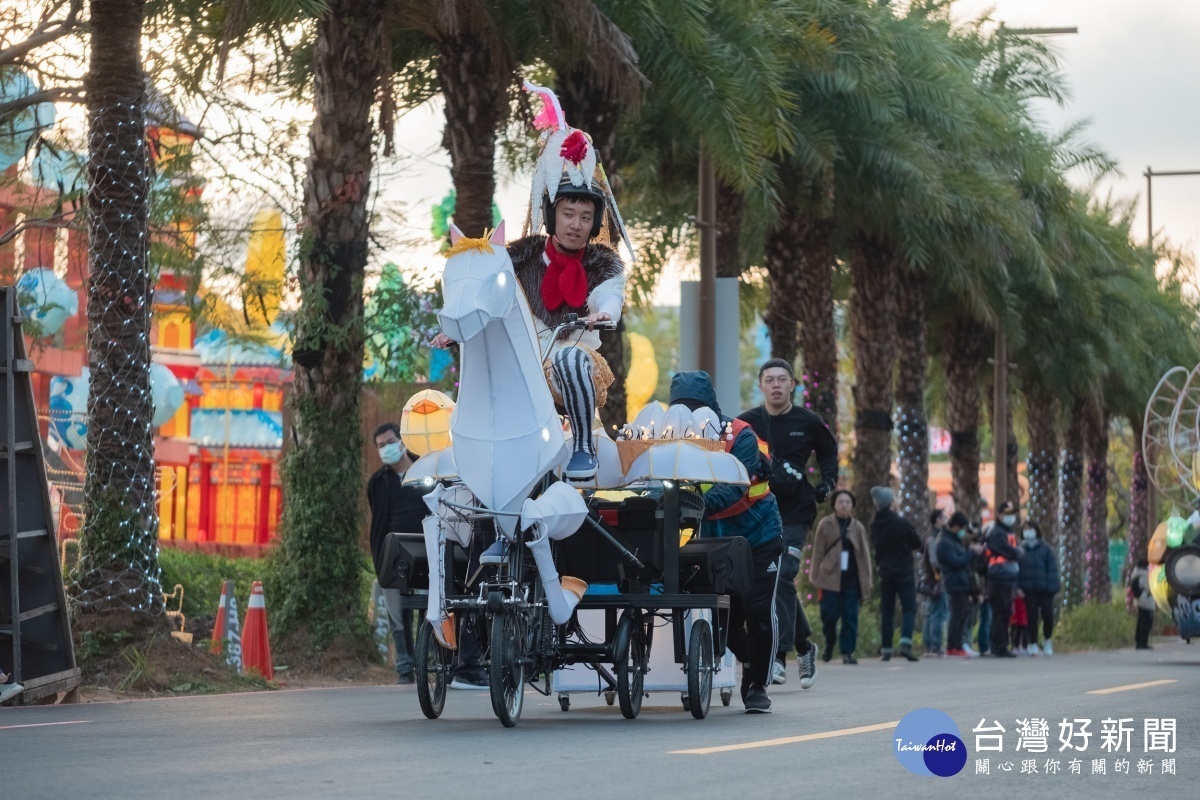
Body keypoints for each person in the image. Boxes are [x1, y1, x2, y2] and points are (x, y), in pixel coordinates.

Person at [433, 83, 632, 484]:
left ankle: (581, 445)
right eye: (568, 213)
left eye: (585, 216)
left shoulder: (603, 263)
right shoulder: (518, 257)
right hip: (523, 373)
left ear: (595, 221)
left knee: (569, 359)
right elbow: (488, 296)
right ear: (552, 213)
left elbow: (611, 294)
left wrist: (604, 312)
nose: (576, 224)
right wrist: (455, 331)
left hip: (572, 372)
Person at [670, 370, 782, 714]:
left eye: (695, 406)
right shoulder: (673, 435)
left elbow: (737, 484)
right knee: (725, 620)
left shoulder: (740, 435)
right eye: (681, 407)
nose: (689, 413)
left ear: (711, 407)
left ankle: (758, 684)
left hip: (759, 534)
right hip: (716, 540)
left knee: (758, 612)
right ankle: (750, 662)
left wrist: (694, 506)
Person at [738, 358, 838, 689]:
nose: (776, 385)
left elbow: (828, 455)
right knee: (773, 578)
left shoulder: (808, 421)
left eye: (783, 379)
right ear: (761, 385)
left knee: (784, 571)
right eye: (770, 380)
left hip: (796, 510)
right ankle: (804, 646)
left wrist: (827, 484)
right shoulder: (746, 423)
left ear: (793, 384)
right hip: (759, 510)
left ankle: (778, 658)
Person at [809, 490, 873, 664]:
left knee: (850, 618)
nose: (844, 505)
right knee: (828, 617)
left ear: (852, 505)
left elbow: (865, 556)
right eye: (841, 502)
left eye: (847, 502)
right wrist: (814, 576)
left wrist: (867, 581)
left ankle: (847, 652)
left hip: (852, 580)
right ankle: (830, 645)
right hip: (829, 578)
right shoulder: (826, 524)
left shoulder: (857, 527)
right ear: (834, 505)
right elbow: (818, 552)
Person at [870, 486, 922, 662]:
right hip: (904, 572)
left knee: (887, 611)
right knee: (908, 608)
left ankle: (886, 650)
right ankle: (905, 644)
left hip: (885, 573)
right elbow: (917, 542)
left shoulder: (874, 524)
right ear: (891, 502)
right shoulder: (901, 522)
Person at [939, 512, 985, 657]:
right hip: (955, 582)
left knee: (963, 614)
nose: (964, 532)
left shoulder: (954, 540)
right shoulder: (944, 542)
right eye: (963, 528)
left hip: (962, 581)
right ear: (956, 526)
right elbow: (956, 562)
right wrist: (971, 553)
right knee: (957, 614)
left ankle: (959, 644)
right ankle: (953, 646)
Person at [984, 500, 1024, 658]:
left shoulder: (1007, 531)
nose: (1011, 517)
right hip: (998, 577)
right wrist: (1018, 552)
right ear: (999, 515)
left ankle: (999, 645)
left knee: (1005, 612)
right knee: (1001, 612)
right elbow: (1010, 552)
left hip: (1006, 577)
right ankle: (999, 646)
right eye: (1007, 514)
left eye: (1012, 513)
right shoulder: (997, 532)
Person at [1017, 520, 1059, 656]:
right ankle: (1033, 643)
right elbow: (1015, 570)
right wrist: (1017, 587)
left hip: (1045, 590)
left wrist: (1052, 588)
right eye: (1026, 529)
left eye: (1031, 529)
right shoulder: (1019, 550)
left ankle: (1047, 639)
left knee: (1048, 616)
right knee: (1031, 617)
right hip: (1028, 590)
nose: (1028, 531)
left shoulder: (1045, 549)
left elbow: (1052, 569)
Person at [918, 509, 949, 657]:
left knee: (931, 612)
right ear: (937, 520)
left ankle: (929, 646)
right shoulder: (933, 537)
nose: (945, 520)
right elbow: (934, 560)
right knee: (936, 613)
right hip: (936, 580)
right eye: (943, 517)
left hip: (930, 579)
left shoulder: (930, 536)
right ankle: (934, 646)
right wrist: (941, 574)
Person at [1130, 558, 1156, 650]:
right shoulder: (1145, 574)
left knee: (1141, 621)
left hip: (1140, 600)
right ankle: (1143, 642)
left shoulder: (1136, 573)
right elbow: (1150, 587)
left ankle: (1139, 642)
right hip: (1146, 599)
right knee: (1146, 622)